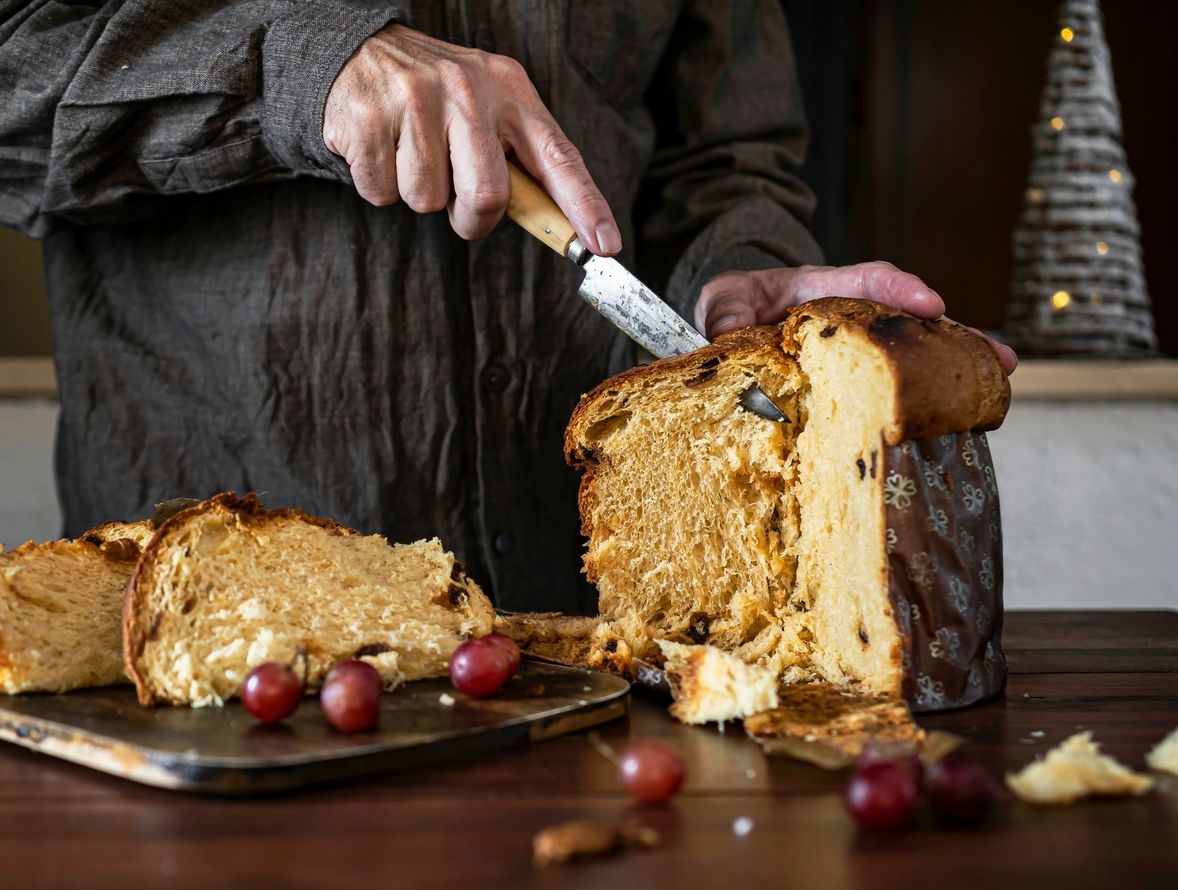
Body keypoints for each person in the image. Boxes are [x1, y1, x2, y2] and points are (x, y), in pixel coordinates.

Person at [0, 3, 1015, 613]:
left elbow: (729, 158)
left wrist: (737, 273)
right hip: (206, 639)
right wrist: (300, 67)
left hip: (600, 637)